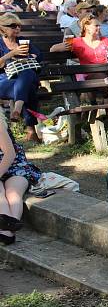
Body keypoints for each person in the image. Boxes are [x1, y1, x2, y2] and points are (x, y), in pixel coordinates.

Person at [0, 110, 41, 245]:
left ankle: (8, 228)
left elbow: (10, 154)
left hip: (14, 165)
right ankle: (8, 230)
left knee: (13, 193)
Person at [0, 14, 43, 143]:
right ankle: (31, 129)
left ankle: (17, 109)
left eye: (19, 26)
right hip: (4, 81)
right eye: (13, 26)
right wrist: (11, 54)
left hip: (23, 80)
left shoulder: (23, 41)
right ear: (2, 28)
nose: (17, 29)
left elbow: (39, 56)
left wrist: (31, 56)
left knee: (27, 74)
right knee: (28, 87)